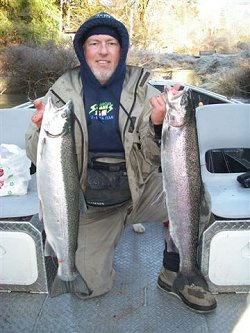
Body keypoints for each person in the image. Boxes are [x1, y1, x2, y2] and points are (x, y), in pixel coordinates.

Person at [25, 12, 216, 313]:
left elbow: (154, 158)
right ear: (82, 50)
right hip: (90, 203)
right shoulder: (61, 92)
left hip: (138, 190)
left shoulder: (142, 89)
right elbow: (34, 154)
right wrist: (39, 130)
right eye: (94, 43)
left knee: (197, 199)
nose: (102, 51)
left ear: (122, 49)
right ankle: (105, 239)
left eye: (111, 43)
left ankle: (176, 271)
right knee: (90, 288)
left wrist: (156, 126)